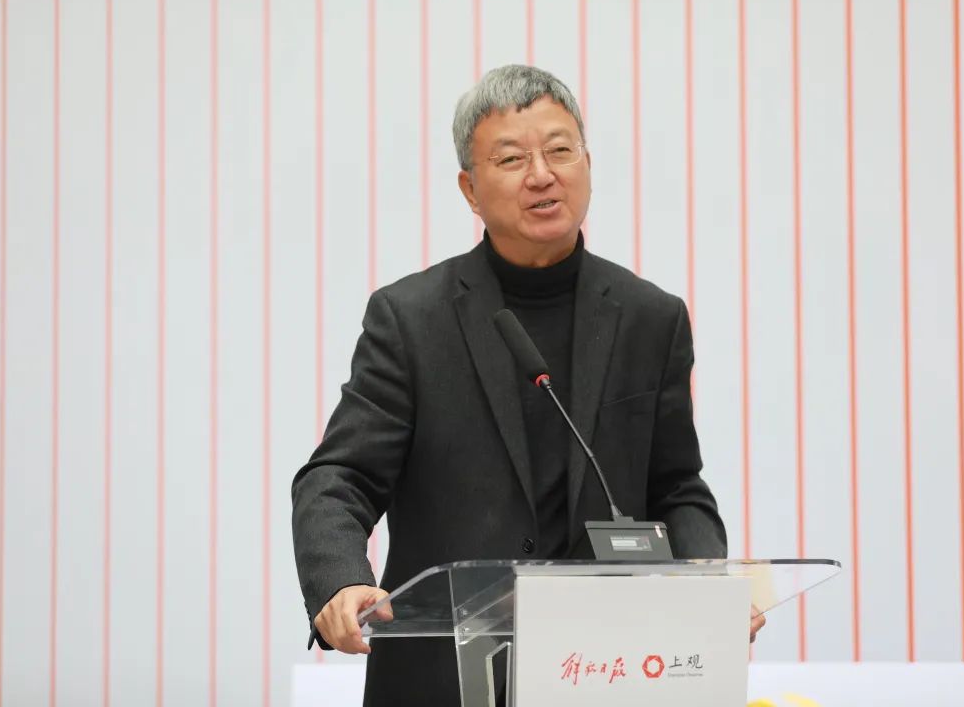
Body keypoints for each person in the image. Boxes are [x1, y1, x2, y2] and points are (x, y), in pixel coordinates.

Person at [291, 64, 764, 707]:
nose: (542, 174)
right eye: (512, 158)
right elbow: (339, 477)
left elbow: (676, 485)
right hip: (442, 677)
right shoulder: (412, 319)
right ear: (470, 188)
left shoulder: (650, 318)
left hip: (606, 673)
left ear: (587, 163)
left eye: (560, 151)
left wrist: (709, 580)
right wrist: (340, 580)